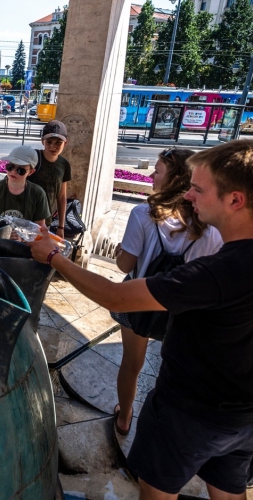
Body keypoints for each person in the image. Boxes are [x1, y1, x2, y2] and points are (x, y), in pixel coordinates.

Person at [27, 140, 253, 499]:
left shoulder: (219, 274)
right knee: (228, 490)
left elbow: (115, 295)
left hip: (188, 414)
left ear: (235, 200)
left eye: (198, 189)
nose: (189, 197)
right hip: (241, 419)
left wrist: (53, 256)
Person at [111, 148, 222, 437]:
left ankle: (124, 417)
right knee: (173, 369)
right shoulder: (209, 227)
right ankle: (164, 426)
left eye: (157, 170)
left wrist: (120, 252)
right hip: (182, 311)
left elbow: (125, 264)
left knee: (131, 364)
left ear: (173, 179)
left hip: (137, 303)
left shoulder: (142, 214)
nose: (150, 175)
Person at [0, 145, 50, 226]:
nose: (13, 171)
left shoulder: (37, 193)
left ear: (30, 172)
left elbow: (40, 228)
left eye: (20, 170)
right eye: (10, 167)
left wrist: (23, 237)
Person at [28, 120, 72, 237]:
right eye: (49, 142)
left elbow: (61, 197)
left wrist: (61, 227)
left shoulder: (64, 165)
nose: (53, 146)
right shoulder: (33, 157)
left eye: (58, 142)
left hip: (44, 221)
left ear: (65, 143)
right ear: (43, 141)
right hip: (24, 218)